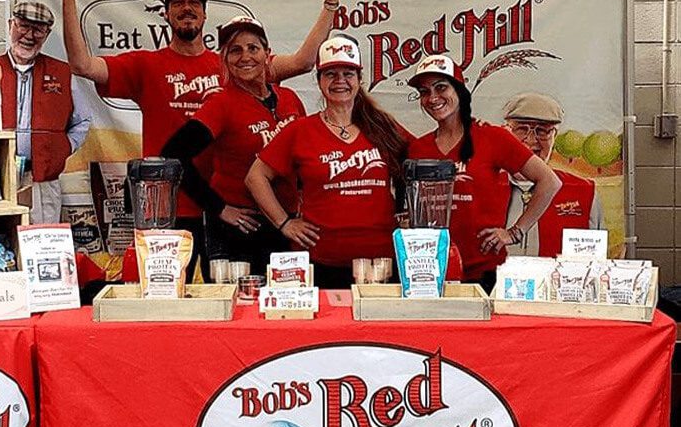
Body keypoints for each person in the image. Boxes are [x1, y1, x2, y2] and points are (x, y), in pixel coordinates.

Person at [62, 0, 339, 280]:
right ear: (165, 13)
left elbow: (305, 61)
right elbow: (82, 66)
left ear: (205, 14)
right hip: (168, 205)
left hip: (228, 205)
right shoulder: (146, 65)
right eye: (177, 2)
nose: (186, 8)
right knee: (163, 294)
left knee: (225, 293)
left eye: (194, 2)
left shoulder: (235, 66)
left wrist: (330, 2)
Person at [246, 37, 409, 289]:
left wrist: (468, 127)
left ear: (359, 79)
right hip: (320, 261)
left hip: (380, 262)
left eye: (348, 73)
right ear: (320, 81)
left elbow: (425, 155)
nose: (340, 81)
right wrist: (284, 223)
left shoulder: (382, 125)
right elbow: (256, 177)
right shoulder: (300, 130)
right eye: (330, 74)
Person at [161, 16, 306, 278]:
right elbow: (173, 154)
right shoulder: (221, 104)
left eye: (253, 48)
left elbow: (304, 157)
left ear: (267, 54)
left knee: (284, 307)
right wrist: (218, 208)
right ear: (224, 60)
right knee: (238, 309)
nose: (245, 56)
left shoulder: (290, 99)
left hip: (287, 223)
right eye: (235, 50)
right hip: (240, 227)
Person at [406, 55, 562, 291]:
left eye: (441, 87)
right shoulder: (418, 148)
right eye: (425, 92)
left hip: (484, 273)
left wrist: (515, 232)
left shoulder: (493, 137)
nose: (433, 98)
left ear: (459, 91)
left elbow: (549, 182)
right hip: (430, 274)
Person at [0, 1, 92, 224]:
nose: (29, 35)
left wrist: (64, 148)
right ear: (11, 25)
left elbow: (83, 120)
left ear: (46, 34)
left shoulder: (63, 72)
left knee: (42, 242)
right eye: (23, 26)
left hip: (43, 180)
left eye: (38, 30)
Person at [500, 93, 605, 257]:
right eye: (521, 129)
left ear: (554, 136)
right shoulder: (480, 188)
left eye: (543, 131)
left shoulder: (584, 193)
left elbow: (595, 264)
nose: (532, 139)